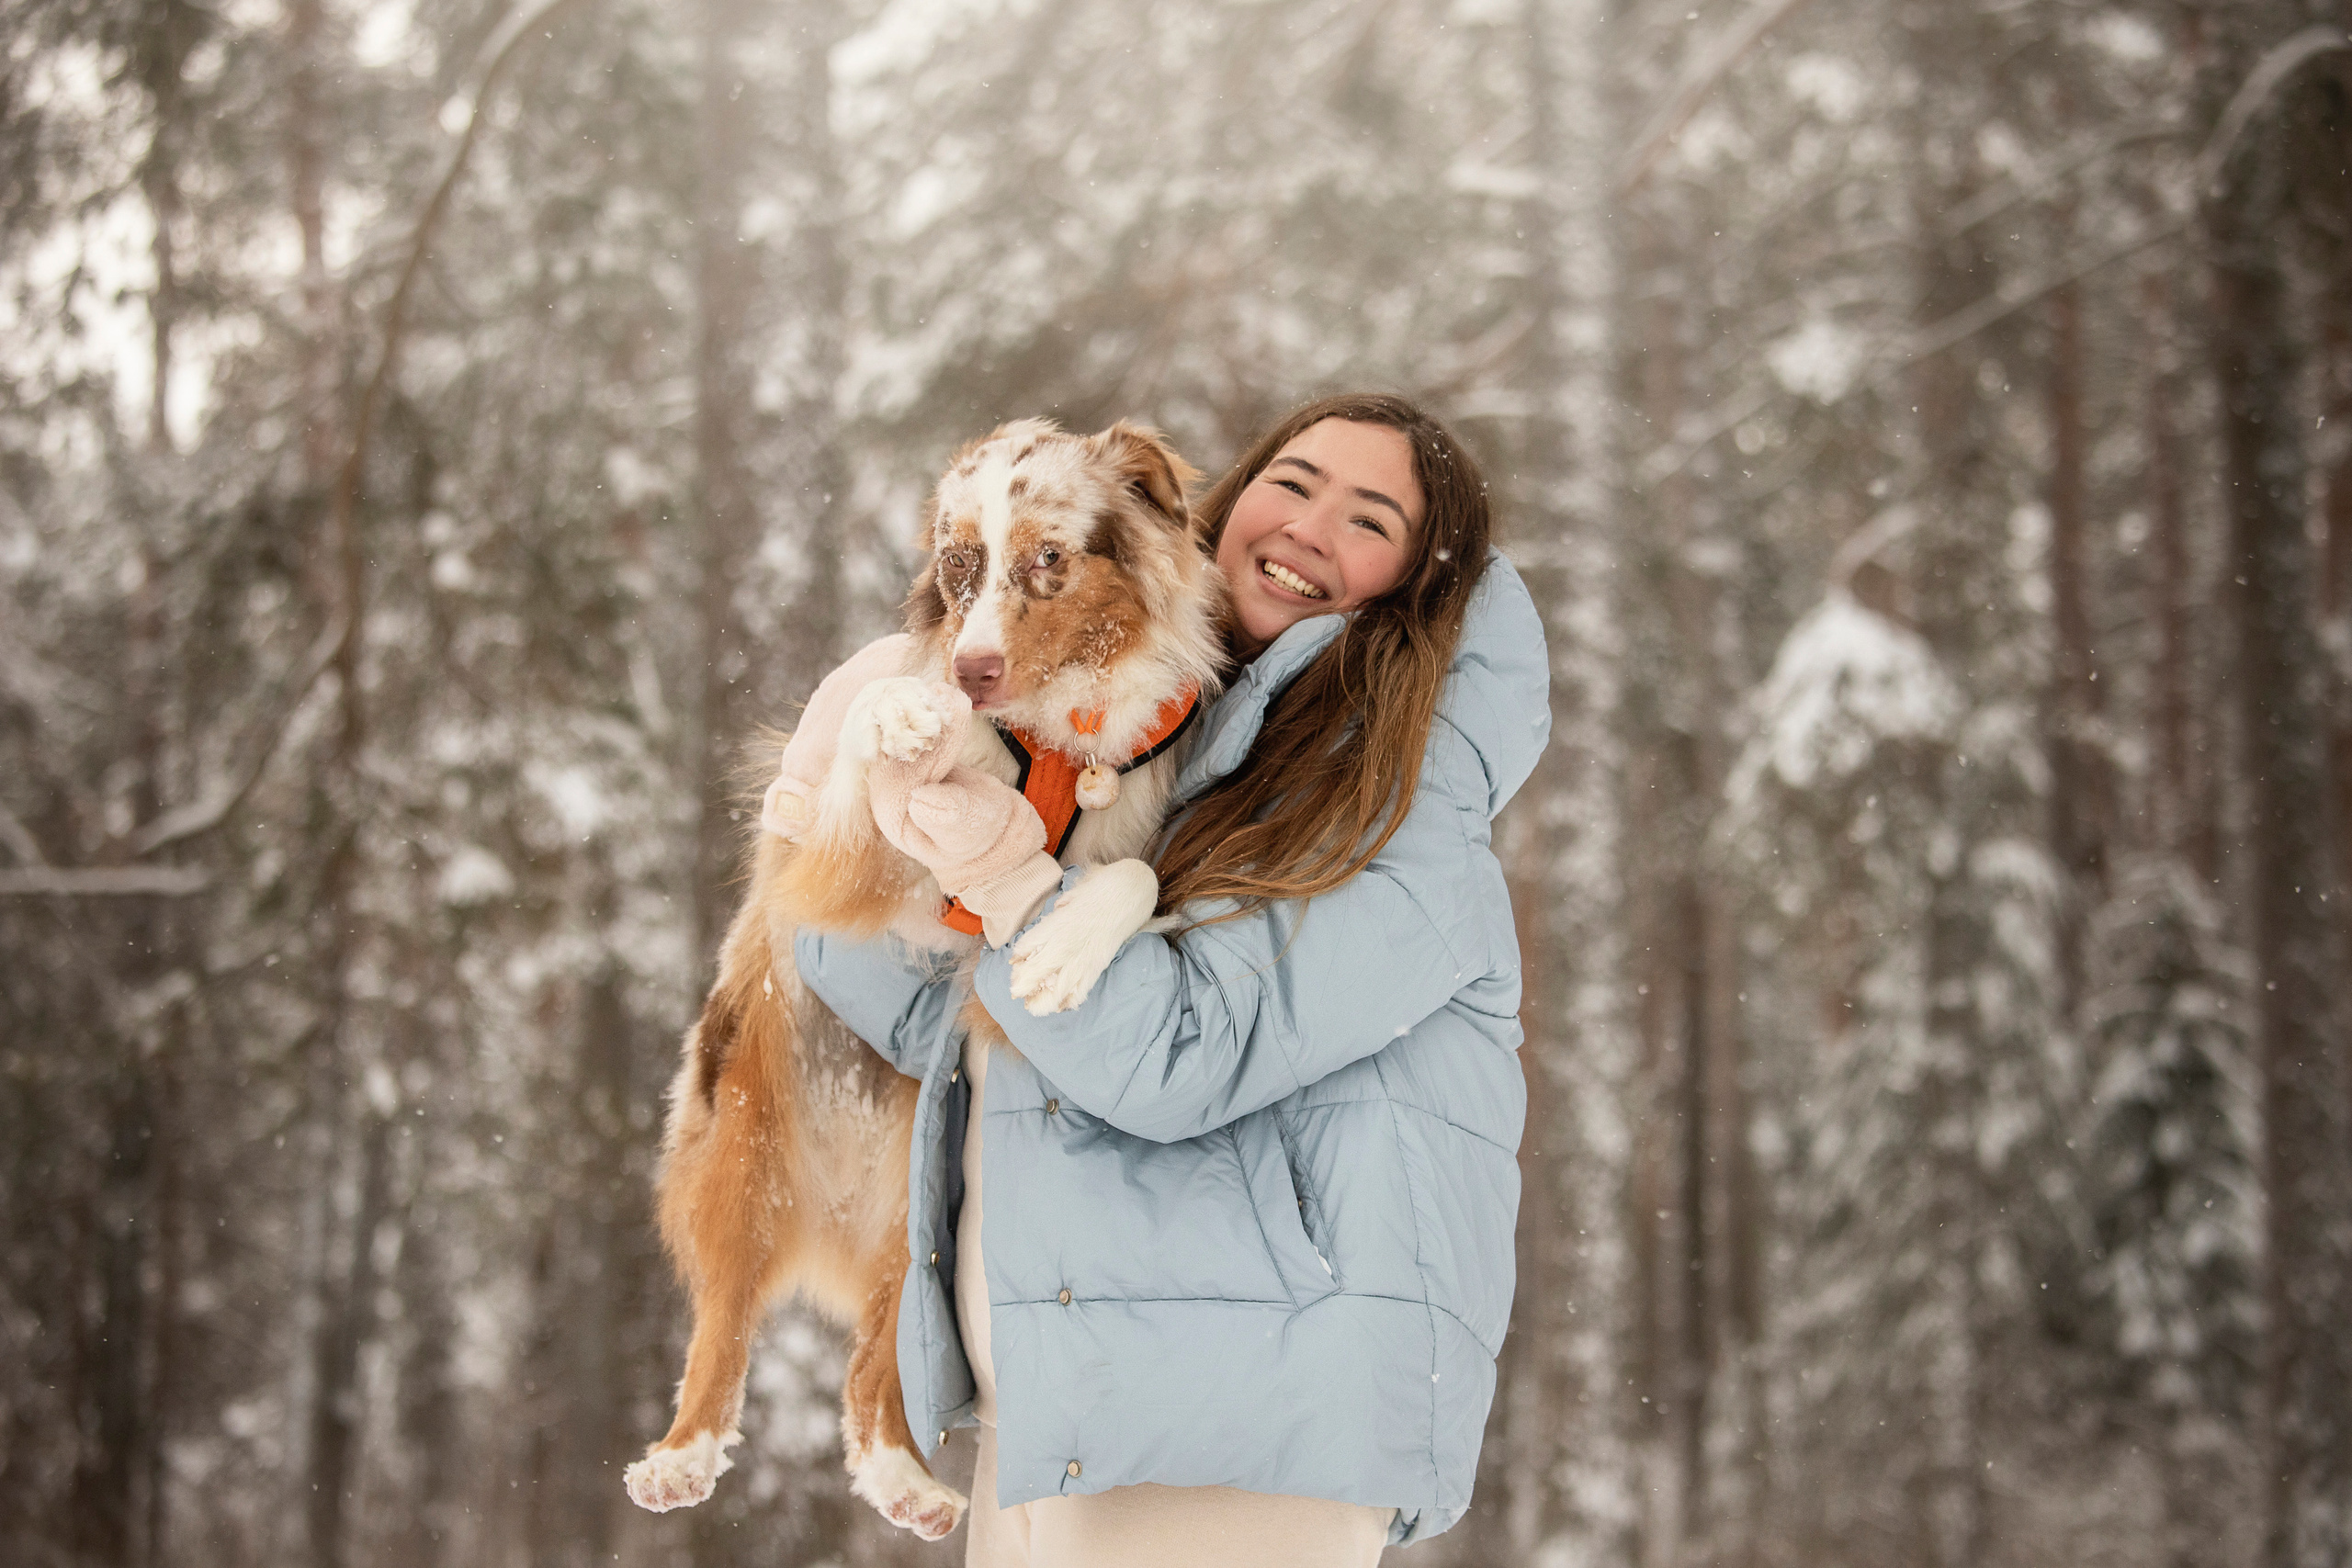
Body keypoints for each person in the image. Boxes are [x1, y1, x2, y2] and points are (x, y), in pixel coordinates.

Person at [795, 392, 1550, 1565]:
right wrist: (846, 826)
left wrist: (1007, 874)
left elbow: (1173, 1059)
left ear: (1421, 578)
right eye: (1293, 484)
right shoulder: (1171, 737)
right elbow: (958, 1021)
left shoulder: (1404, 801)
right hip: (1071, 1397)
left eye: (1368, 518)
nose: (1307, 528)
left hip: (1239, 1420)